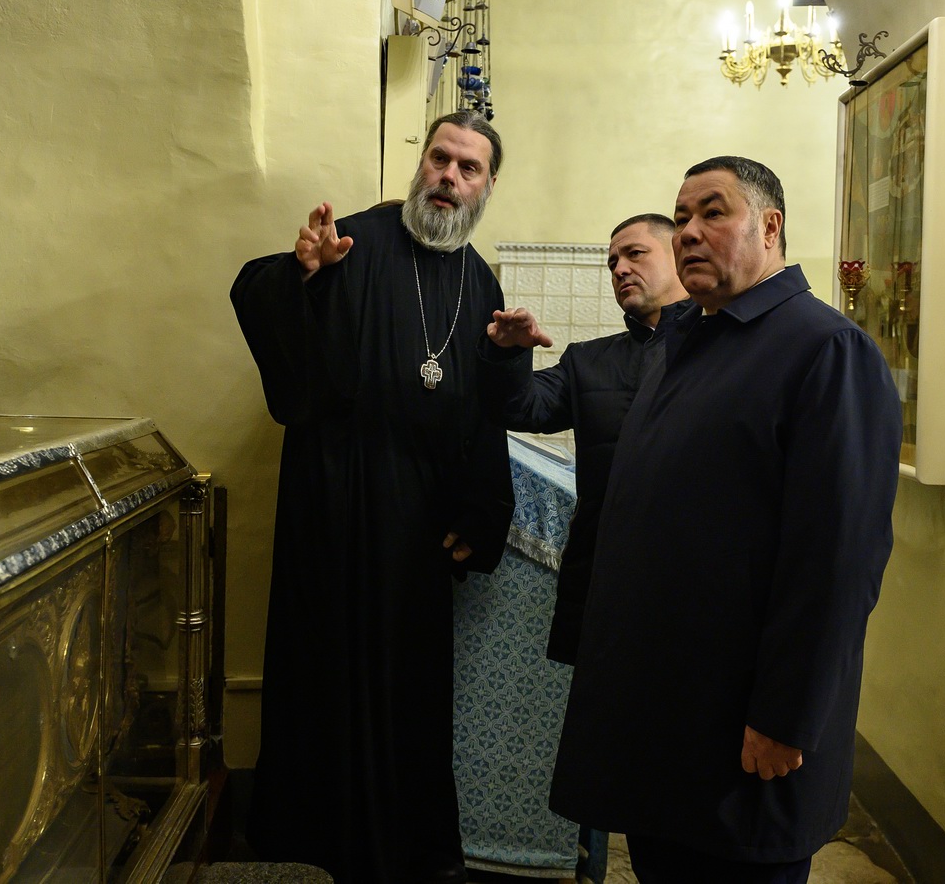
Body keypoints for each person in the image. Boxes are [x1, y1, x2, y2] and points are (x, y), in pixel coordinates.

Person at [549, 156, 902, 884]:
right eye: (681, 217)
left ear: (769, 227)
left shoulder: (824, 349)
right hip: (664, 721)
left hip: (744, 732)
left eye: (713, 212)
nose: (689, 232)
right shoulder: (685, 345)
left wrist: (786, 717)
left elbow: (835, 563)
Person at [230, 109, 515, 884]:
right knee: (324, 674)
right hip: (335, 503)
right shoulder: (352, 241)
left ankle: (406, 847)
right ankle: (313, 843)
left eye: (468, 168)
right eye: (440, 159)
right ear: (421, 164)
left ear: (488, 185)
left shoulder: (480, 280)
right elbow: (256, 293)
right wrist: (303, 275)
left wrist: (481, 509)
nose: (449, 177)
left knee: (407, 691)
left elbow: (486, 409)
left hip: (419, 523)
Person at [479, 213, 692, 664]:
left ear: (678, 256)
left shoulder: (722, 350)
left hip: (693, 579)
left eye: (635, 254)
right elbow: (521, 408)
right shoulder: (588, 361)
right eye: (612, 262)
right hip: (603, 575)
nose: (620, 269)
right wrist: (508, 354)